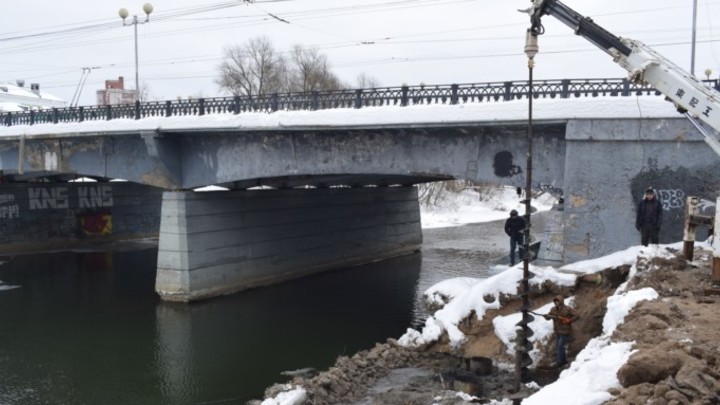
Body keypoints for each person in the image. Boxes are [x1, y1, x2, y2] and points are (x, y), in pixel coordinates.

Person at [544, 295, 578, 368]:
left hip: (565, 331)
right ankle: (563, 361)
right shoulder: (553, 309)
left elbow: (577, 316)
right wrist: (546, 316)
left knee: (560, 346)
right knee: (559, 346)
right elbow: (549, 317)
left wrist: (569, 320)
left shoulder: (567, 309)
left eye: (558, 301)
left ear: (561, 301)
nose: (556, 302)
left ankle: (559, 362)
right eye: (555, 301)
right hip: (557, 331)